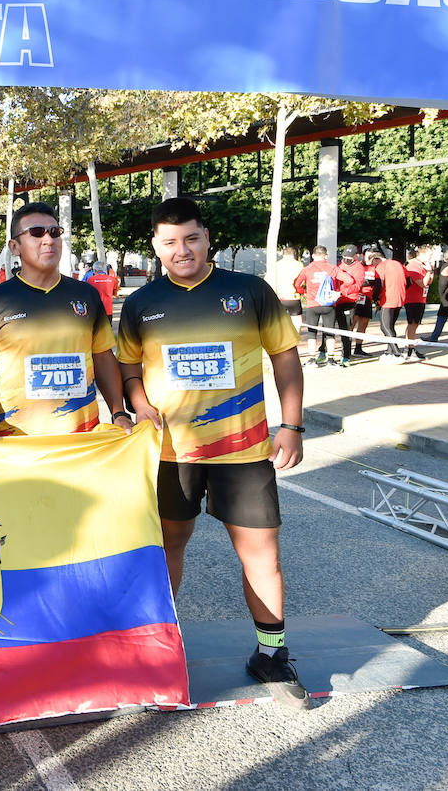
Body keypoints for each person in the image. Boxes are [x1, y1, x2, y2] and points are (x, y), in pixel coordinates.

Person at [116, 197, 308, 709]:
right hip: (172, 454)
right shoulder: (140, 304)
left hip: (244, 452)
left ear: (208, 238)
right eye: (171, 242)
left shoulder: (248, 291)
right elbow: (129, 368)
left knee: (261, 553)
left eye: (192, 239)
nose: (183, 250)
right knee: (167, 548)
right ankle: (159, 650)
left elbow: (286, 361)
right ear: (156, 247)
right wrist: (136, 400)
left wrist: (291, 425)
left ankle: (271, 654)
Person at [0, 202, 134, 438]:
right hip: (18, 440)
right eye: (36, 233)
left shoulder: (86, 295)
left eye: (55, 232)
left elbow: (103, 357)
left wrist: (119, 412)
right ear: (14, 246)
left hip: (83, 439)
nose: (48, 239)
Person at [292, 246, 356, 367]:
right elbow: (349, 280)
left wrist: (304, 292)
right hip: (329, 304)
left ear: (313, 256)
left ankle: (312, 359)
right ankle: (331, 359)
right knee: (330, 331)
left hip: (312, 304)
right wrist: (338, 292)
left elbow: (297, 284)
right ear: (325, 256)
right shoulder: (333, 268)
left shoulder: (307, 269)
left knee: (311, 332)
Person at [370, 247, 409, 362]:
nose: (373, 266)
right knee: (391, 326)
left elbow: (379, 284)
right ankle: (389, 351)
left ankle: (397, 353)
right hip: (400, 297)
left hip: (388, 299)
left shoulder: (381, 267)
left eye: (373, 263)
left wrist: (375, 298)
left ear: (377, 259)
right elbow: (409, 280)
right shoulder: (398, 264)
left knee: (385, 327)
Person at [403, 246, 434, 361]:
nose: (431, 257)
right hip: (412, 298)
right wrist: (429, 271)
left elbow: (429, 281)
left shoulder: (423, 265)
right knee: (412, 323)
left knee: (415, 324)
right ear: (422, 254)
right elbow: (423, 283)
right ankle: (410, 349)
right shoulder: (413, 265)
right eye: (430, 255)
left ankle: (409, 347)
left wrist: (430, 270)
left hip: (421, 298)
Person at [350, 245, 381, 356]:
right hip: (356, 297)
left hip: (368, 298)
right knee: (352, 323)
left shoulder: (375, 268)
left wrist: (377, 300)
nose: (370, 259)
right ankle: (346, 348)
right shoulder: (357, 266)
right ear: (363, 256)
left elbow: (378, 283)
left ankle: (358, 348)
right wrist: (366, 282)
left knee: (363, 324)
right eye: (368, 256)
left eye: (372, 257)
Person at [425, 248, 448, 344]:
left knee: (442, 316)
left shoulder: (446, 266)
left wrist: (442, 295)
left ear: (446, 258)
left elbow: (442, 284)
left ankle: (434, 336)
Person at [273, 246, 304, 326]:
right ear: (294, 254)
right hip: (293, 297)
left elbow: (269, 280)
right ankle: (296, 337)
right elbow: (302, 282)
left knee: (277, 321)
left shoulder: (276, 265)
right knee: (296, 321)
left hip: (278, 297)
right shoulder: (299, 265)